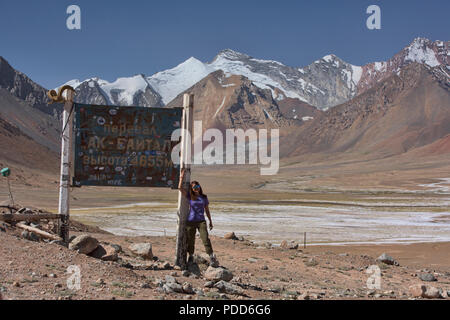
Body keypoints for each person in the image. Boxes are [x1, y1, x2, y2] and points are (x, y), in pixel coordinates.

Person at [178, 168, 218, 267]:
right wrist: (181, 176)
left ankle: (212, 257)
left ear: (200, 187)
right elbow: (179, 187)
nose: (196, 188)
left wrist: (210, 221)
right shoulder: (189, 196)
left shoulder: (204, 197)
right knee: (190, 240)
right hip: (191, 221)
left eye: (197, 186)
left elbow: (207, 210)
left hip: (201, 221)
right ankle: (191, 256)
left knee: (205, 238)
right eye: (194, 187)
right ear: (191, 189)